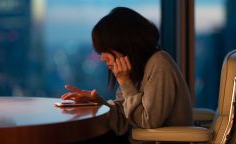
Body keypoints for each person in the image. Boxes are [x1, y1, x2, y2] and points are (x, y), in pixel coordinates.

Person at [61, 7, 193, 143]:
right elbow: (126, 119)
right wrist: (100, 104)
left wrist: (124, 81)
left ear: (125, 44)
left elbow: (148, 121)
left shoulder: (160, 62)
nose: (102, 58)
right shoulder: (137, 69)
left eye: (105, 50)